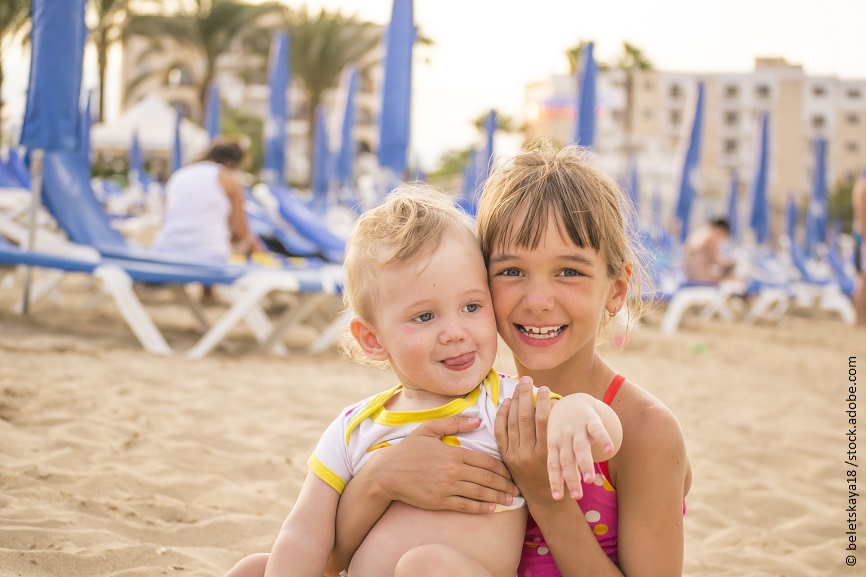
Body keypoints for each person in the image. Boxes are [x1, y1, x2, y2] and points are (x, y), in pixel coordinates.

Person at [223, 185, 623, 577]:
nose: (455, 332)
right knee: (254, 568)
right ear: (373, 339)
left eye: (471, 306)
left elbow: (604, 432)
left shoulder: (503, 403)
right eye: (425, 317)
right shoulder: (355, 427)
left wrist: (575, 409)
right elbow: (304, 533)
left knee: (425, 565)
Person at [333, 145, 692, 576]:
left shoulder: (644, 430)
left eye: (570, 272)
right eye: (511, 272)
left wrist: (544, 494)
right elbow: (333, 559)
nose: (538, 301)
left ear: (615, 290)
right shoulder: (474, 409)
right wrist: (379, 479)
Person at [152, 137, 263, 262]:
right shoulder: (228, 179)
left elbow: (165, 218)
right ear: (231, 163)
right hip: (209, 255)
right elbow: (240, 232)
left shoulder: (179, 175)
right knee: (250, 241)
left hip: (165, 249)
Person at [682, 217, 736, 283]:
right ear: (721, 230)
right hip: (699, 276)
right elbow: (715, 260)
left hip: (689, 274)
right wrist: (731, 263)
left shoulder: (703, 232)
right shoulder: (712, 235)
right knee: (732, 279)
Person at [853, 171, 866, 327]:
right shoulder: (863, 187)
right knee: (864, 280)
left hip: (861, 236)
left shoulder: (860, 185)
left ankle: (860, 319)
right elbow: (863, 216)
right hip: (863, 237)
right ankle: (859, 320)